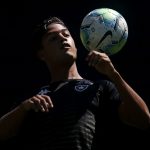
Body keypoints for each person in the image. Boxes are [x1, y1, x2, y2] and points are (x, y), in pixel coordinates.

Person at [0, 16, 150, 150]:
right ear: (41, 54)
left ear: (76, 45)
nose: (63, 38)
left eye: (66, 34)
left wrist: (114, 74)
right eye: (53, 38)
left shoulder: (99, 87)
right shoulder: (32, 98)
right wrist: (23, 108)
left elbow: (143, 120)